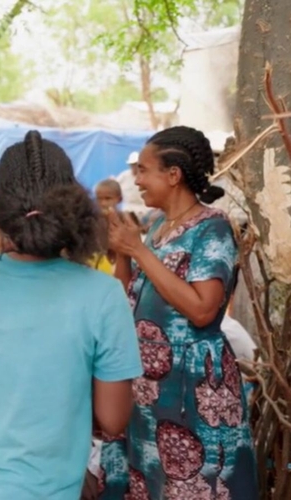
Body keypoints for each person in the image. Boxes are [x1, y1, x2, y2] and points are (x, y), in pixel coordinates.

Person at [0, 130, 142, 500]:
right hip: (43, 487)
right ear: (75, 203)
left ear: (2, 207)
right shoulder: (103, 294)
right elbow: (113, 418)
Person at [102, 126, 258, 498]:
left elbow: (203, 310)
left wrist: (139, 252)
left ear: (173, 175)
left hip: (193, 388)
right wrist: (125, 253)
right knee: (156, 483)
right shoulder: (156, 227)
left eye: (143, 170)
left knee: (196, 484)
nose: (136, 180)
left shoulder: (212, 227)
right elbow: (129, 300)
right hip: (151, 389)